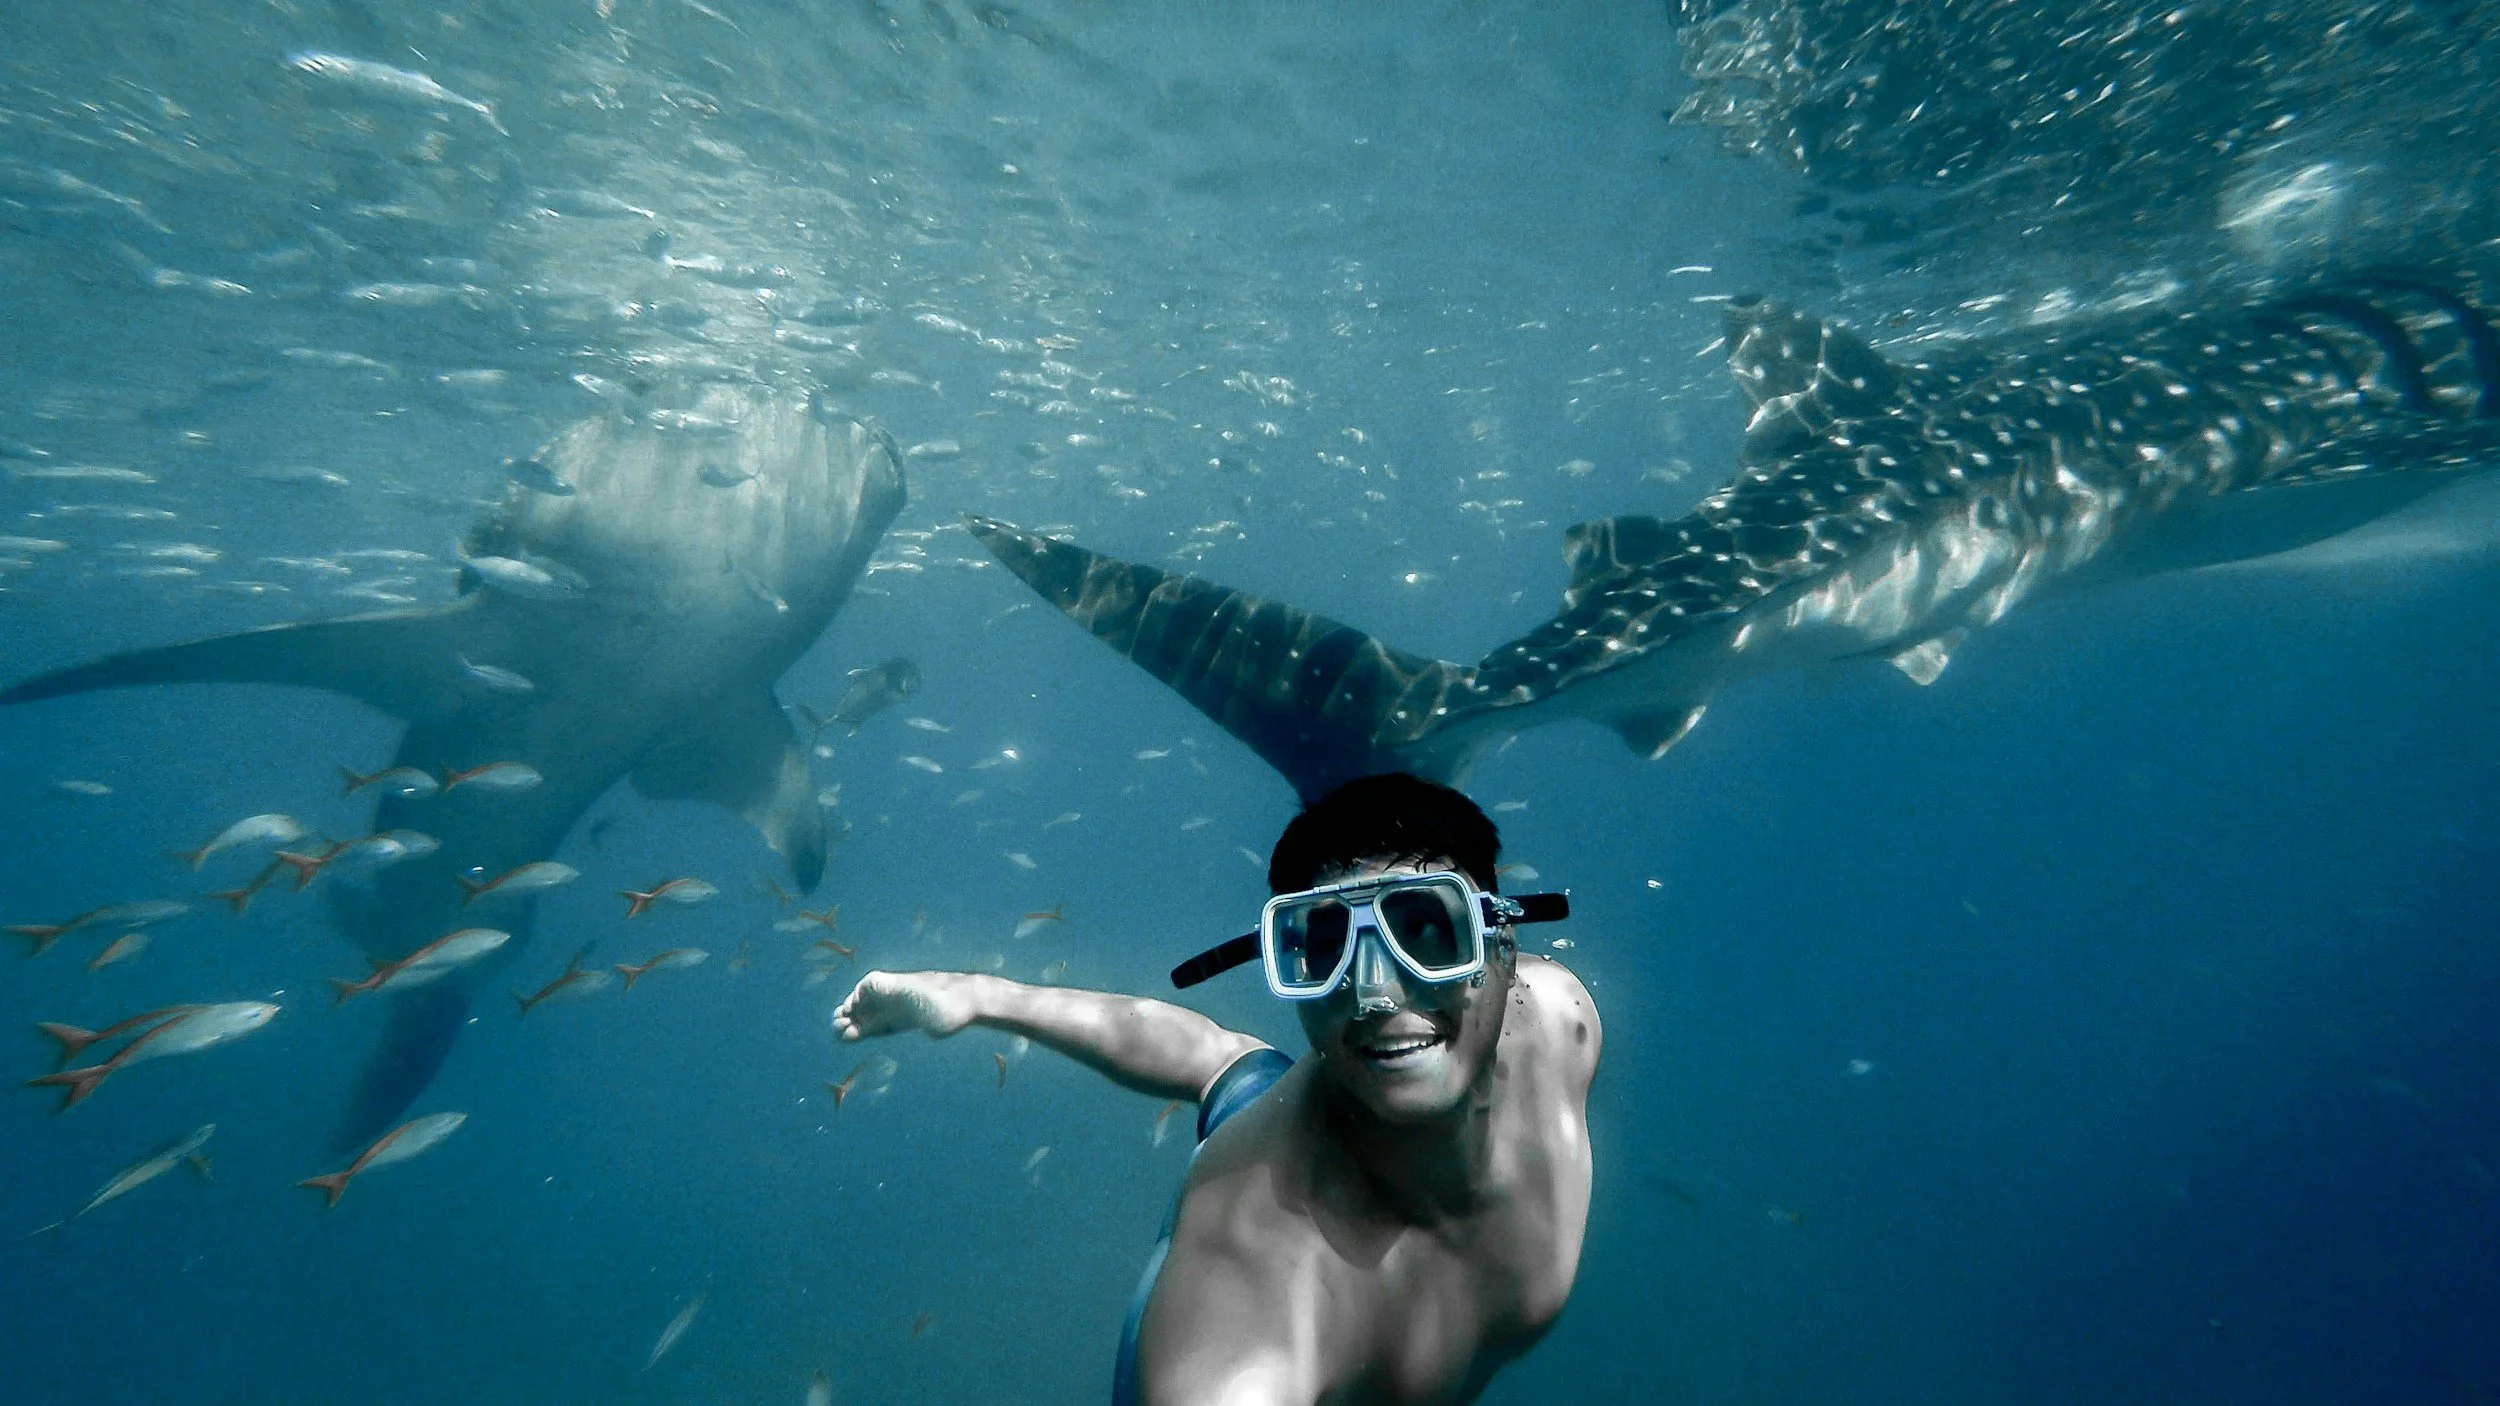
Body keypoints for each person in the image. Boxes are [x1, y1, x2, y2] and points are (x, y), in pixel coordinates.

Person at [833, 773, 1600, 1405]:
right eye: (1322, 947)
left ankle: (981, 995)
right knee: (1250, 1095)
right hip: (1253, 1203)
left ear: (1505, 945)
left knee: (1234, 1067)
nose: (1375, 992)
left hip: (1305, 1106)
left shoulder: (1561, 1021)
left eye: (1429, 931)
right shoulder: (1251, 1287)